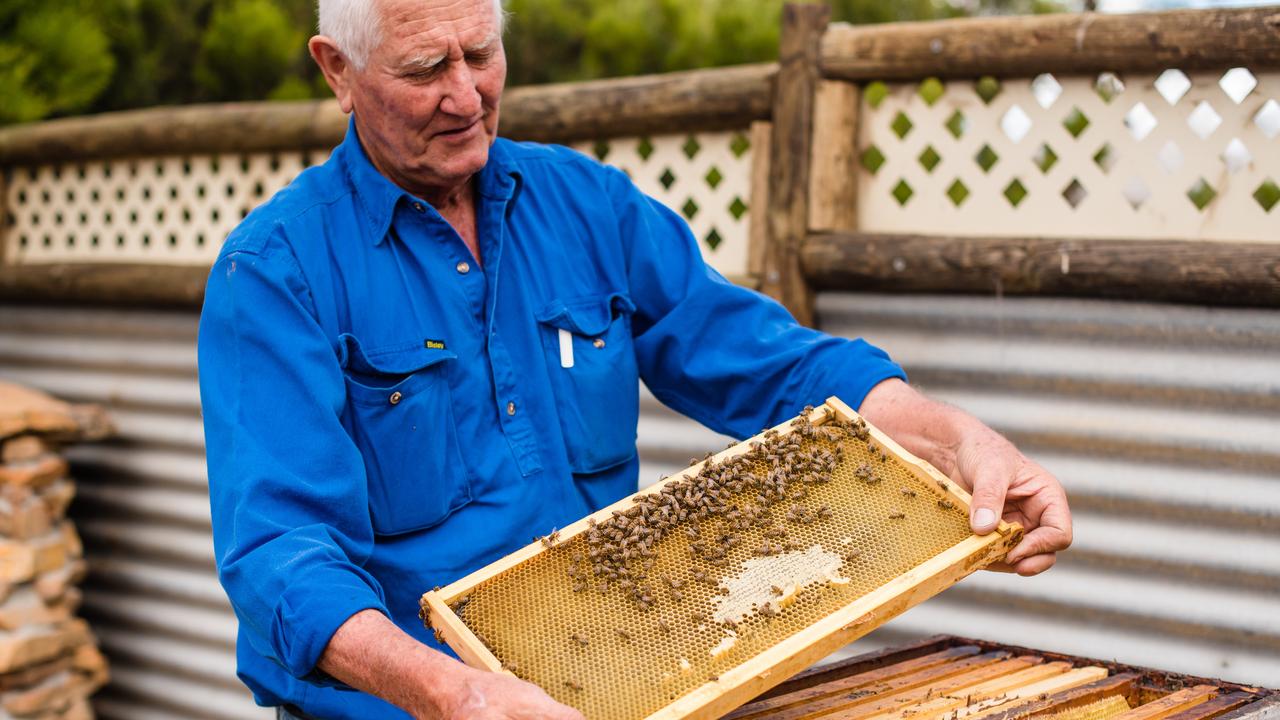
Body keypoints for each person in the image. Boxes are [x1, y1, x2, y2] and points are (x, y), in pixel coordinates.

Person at [196, 0, 1072, 718]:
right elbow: (281, 552)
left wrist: (953, 437)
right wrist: (452, 691)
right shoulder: (274, 273)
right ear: (337, 71)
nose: (465, 96)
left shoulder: (588, 205)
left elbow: (767, 362)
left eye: (482, 54)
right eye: (425, 69)